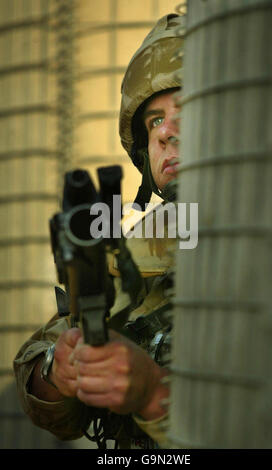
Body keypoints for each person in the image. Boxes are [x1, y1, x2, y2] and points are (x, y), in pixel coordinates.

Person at [13, 13, 185, 449]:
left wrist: (153, 394)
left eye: (191, 108)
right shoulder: (133, 249)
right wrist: (60, 369)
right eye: (155, 120)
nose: (168, 132)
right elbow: (39, 385)